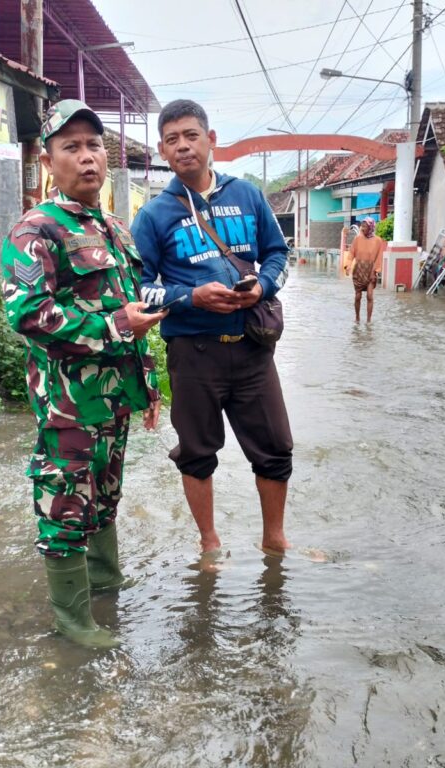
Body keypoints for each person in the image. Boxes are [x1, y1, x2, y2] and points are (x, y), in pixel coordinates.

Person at [1, 99, 165, 648]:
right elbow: (29, 314)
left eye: (94, 145)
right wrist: (117, 326)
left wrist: (149, 385)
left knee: (106, 497)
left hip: (115, 400)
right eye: (71, 147)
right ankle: (72, 620)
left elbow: (133, 307)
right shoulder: (35, 229)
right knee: (66, 501)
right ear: (49, 161)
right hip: (68, 404)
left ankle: (104, 583)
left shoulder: (112, 227)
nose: (87, 157)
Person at [130, 99, 292, 556]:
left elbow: (279, 255)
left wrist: (261, 286)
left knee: (276, 448)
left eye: (191, 136)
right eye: (172, 140)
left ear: (211, 140)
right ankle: (209, 543)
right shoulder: (154, 215)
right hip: (192, 353)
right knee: (197, 453)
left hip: (252, 349)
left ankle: (274, 539)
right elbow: (139, 289)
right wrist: (189, 297)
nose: (183, 147)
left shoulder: (248, 195)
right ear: (163, 151)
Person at [348, 217, 384, 322]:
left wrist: (375, 271)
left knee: (370, 296)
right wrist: (348, 265)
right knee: (358, 296)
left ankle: (368, 320)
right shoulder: (357, 239)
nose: (362, 228)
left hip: (370, 271)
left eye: (365, 226)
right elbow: (351, 253)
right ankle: (357, 317)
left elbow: (379, 257)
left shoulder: (378, 241)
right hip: (359, 270)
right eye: (362, 226)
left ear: (371, 227)